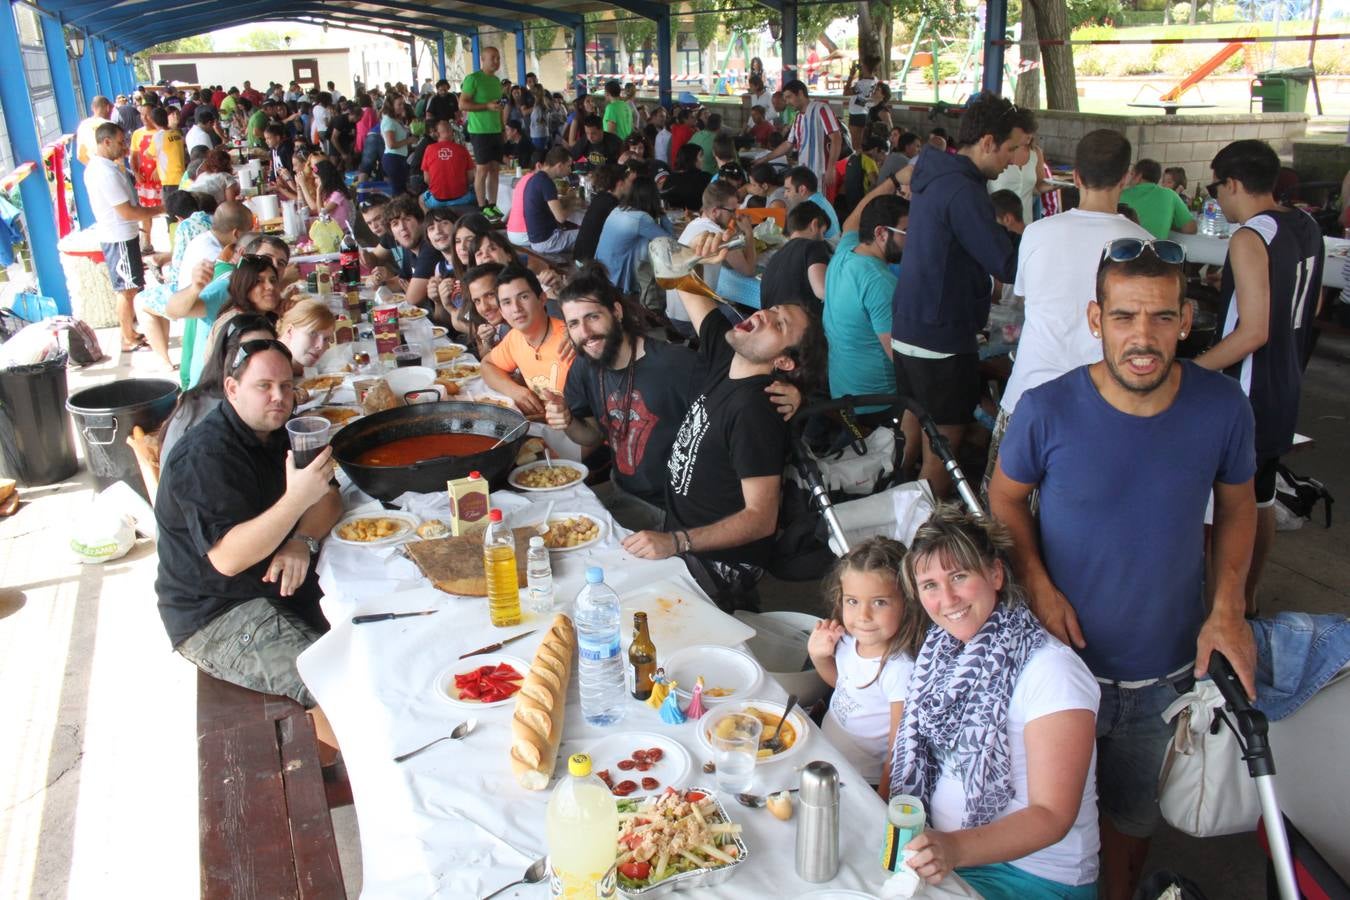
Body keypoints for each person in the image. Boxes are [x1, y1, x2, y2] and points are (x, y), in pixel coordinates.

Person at [989, 240, 1258, 900]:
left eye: (1161, 317)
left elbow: (1238, 505)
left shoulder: (1223, 407)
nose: (1144, 337)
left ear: (1185, 319)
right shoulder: (1046, 408)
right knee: (1039, 820)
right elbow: (1005, 498)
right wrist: (1040, 584)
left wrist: (1227, 607)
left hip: (1163, 675)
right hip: (1058, 670)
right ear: (1094, 318)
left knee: (1132, 824)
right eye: (1124, 317)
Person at [891, 507, 1101, 897]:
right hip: (945, 853)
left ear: (995, 574)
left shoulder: (1052, 672)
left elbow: (1052, 816)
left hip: (1033, 876)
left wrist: (953, 847)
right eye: (930, 585)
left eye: (959, 576)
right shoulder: (941, 652)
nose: (946, 598)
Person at [154, 335, 343, 761]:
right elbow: (229, 557)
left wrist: (300, 539)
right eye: (264, 386)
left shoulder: (279, 431)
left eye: (286, 386)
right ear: (232, 388)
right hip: (215, 613)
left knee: (373, 635)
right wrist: (297, 500)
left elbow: (330, 498)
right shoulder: (206, 455)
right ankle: (360, 777)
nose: (279, 397)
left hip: (271, 584)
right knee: (333, 679)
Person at [627, 252, 825, 611]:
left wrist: (675, 542)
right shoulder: (727, 351)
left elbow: (761, 518)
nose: (764, 314)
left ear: (783, 362)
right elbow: (672, 268)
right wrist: (695, 253)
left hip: (719, 564)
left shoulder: (756, 411)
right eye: (774, 309)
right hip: (679, 535)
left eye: (779, 326)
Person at [1194, 139, 1325, 617]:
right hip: (1285, 384)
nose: (1218, 200)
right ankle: (1246, 600)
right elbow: (1306, 304)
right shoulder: (1305, 225)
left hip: (1244, 390)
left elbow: (1252, 331)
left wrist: (1192, 369)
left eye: (1216, 188)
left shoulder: (1249, 237)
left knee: (1229, 507)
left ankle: (1219, 609)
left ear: (1231, 183)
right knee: (1263, 496)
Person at [989, 129, 1152, 488]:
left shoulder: (1037, 233)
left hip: (1029, 396)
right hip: (1107, 405)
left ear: (1075, 177)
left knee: (1008, 516)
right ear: (1126, 177)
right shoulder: (1147, 247)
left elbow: (1028, 301)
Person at [890, 91, 1032, 498]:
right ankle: (916, 531)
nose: (1015, 160)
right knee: (945, 441)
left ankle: (893, 491)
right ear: (987, 142)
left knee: (913, 423)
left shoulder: (935, 175)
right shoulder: (963, 189)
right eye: (1012, 149)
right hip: (940, 334)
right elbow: (1006, 264)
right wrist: (1033, 237)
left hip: (910, 325)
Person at [545, 267, 702, 531]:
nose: (585, 332)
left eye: (592, 317)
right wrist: (568, 420)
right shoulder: (584, 366)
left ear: (616, 312)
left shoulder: (675, 364)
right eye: (573, 324)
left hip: (672, 511)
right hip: (622, 491)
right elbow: (592, 437)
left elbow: (734, 403)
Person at [807, 537, 920, 791]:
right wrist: (818, 656)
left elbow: (898, 747)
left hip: (858, 780)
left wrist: (882, 799)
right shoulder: (848, 641)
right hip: (825, 755)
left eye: (880, 602)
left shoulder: (899, 669)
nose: (863, 616)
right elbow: (844, 685)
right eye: (853, 601)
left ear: (907, 603)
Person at [824, 181, 908, 415]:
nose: (913, 241)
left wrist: (894, 180)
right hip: (877, 404)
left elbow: (853, 219)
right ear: (881, 233)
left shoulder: (846, 252)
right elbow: (900, 359)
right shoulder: (880, 283)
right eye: (907, 233)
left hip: (842, 393)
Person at [158, 313, 277, 464]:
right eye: (248, 352)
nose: (263, 361)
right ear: (225, 356)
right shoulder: (214, 418)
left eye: (269, 350)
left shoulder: (235, 398)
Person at [85, 122, 162, 353]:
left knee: (129, 286)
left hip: (122, 234)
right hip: (118, 237)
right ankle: (127, 337)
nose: (124, 147)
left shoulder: (106, 167)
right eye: (120, 142)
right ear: (106, 142)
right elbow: (127, 211)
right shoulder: (104, 172)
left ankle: (130, 332)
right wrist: (158, 209)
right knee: (126, 289)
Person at [133, 190, 214, 370]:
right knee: (157, 303)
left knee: (141, 301)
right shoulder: (212, 219)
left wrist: (163, 271)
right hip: (215, 278)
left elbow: (179, 271)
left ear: (177, 217)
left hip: (195, 287)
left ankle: (164, 360)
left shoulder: (184, 228)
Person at [480, 263, 574, 415]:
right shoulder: (515, 338)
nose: (516, 308)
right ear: (502, 312)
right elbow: (487, 365)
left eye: (523, 297)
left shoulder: (571, 338)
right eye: (507, 302)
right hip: (541, 426)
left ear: (542, 299)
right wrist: (515, 391)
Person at [595, 176, 674, 296]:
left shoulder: (618, 210)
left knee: (643, 240)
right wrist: (661, 214)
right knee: (653, 245)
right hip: (618, 280)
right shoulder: (641, 218)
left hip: (604, 271)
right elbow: (669, 242)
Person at [763, 80, 843, 194]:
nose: (787, 102)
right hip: (806, 172)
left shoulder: (821, 109)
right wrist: (765, 159)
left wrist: (831, 167)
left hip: (822, 171)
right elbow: (788, 144)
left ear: (800, 93)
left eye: (789, 97)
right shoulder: (798, 118)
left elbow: (836, 138)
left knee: (822, 206)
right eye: (785, 99)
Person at [460, 46, 506, 217]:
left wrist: (502, 127)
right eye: (493, 58)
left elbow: (500, 107)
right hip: (480, 131)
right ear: (483, 59)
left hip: (495, 130)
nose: (496, 61)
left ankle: (492, 204)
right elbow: (463, 104)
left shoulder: (496, 81)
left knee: (495, 168)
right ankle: (481, 206)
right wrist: (485, 106)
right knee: (482, 169)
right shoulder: (473, 79)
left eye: (498, 58)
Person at [522, 146, 581, 256]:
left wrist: (569, 198)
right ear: (559, 166)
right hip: (547, 241)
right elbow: (561, 217)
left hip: (536, 239)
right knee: (589, 233)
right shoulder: (547, 183)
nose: (570, 170)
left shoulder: (535, 178)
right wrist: (574, 202)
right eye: (568, 166)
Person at [1119, 158, 1197, 240]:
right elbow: (1191, 228)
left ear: (1139, 176)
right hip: (1157, 251)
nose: (1130, 179)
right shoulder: (1170, 195)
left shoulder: (1120, 195)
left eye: (1132, 174)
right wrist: (1168, 224)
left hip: (1126, 250)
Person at [988, 132, 1048, 226]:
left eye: (1031, 130)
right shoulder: (997, 150)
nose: (1029, 135)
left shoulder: (1036, 153)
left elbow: (1036, 188)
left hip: (1025, 224)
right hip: (997, 223)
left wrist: (1050, 187)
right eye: (1024, 130)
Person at [573, 164, 624, 263]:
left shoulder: (599, 198)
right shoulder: (612, 204)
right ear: (620, 183)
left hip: (579, 257)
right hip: (590, 265)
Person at [420, 119, 476, 208]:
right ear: (452, 132)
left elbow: (426, 179)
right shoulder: (462, 149)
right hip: (462, 198)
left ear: (436, 134)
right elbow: (470, 178)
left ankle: (430, 219)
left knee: (421, 199)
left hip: (437, 200)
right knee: (478, 192)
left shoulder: (429, 149)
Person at [277, 298, 336, 373]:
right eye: (313, 333)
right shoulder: (266, 369)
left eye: (326, 339)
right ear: (290, 331)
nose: (320, 346)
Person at [783, 166, 842, 240]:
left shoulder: (809, 209)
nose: (785, 195)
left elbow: (796, 240)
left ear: (802, 189)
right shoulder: (819, 199)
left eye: (788, 190)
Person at [842, 135, 889, 218]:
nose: (883, 156)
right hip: (862, 202)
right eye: (882, 153)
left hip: (850, 201)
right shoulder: (869, 161)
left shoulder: (853, 157)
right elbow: (875, 182)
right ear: (875, 149)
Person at [149, 107, 187, 207]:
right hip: (181, 176)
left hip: (169, 179)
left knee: (170, 210)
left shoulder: (158, 137)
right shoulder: (176, 133)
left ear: (152, 121)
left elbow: (148, 154)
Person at [660, 143, 712, 214]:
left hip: (673, 220)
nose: (703, 159)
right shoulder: (705, 178)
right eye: (701, 156)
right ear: (692, 158)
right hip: (697, 220)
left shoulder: (670, 178)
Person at [843, 56, 880, 154]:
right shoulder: (875, 80)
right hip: (864, 111)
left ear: (866, 67)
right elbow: (864, 99)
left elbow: (846, 92)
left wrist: (851, 76)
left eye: (862, 66)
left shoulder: (862, 83)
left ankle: (857, 164)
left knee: (854, 144)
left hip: (856, 113)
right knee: (860, 142)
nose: (861, 68)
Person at [75, 95, 113, 166]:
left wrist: (93, 167)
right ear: (108, 108)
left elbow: (80, 155)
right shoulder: (110, 125)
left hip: (94, 170)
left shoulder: (83, 125)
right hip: (112, 169)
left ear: (92, 108)